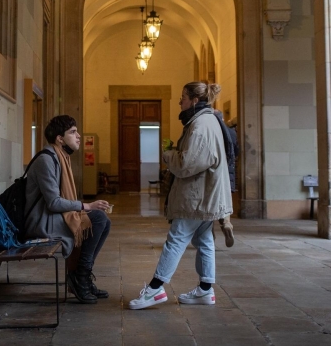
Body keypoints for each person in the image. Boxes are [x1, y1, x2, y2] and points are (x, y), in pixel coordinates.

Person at [129, 82, 233, 310]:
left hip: (197, 196)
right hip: (205, 194)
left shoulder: (202, 124)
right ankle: (205, 291)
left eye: (183, 97)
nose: (179, 101)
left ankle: (155, 290)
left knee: (176, 239)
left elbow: (187, 164)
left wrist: (168, 154)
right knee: (204, 240)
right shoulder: (204, 120)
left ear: (194, 100)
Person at [23, 115, 111, 304]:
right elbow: (54, 203)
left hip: (50, 217)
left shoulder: (60, 157)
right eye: (72, 132)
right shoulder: (47, 160)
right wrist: (86, 205)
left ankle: (81, 275)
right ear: (59, 138)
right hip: (40, 221)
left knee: (103, 221)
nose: (78, 136)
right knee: (96, 218)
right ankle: (79, 277)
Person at [213, 109, 238, 247]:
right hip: (228, 173)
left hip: (213, 172)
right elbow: (236, 152)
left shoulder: (211, 130)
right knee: (224, 202)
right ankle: (227, 225)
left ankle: (210, 235)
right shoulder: (232, 132)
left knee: (209, 205)